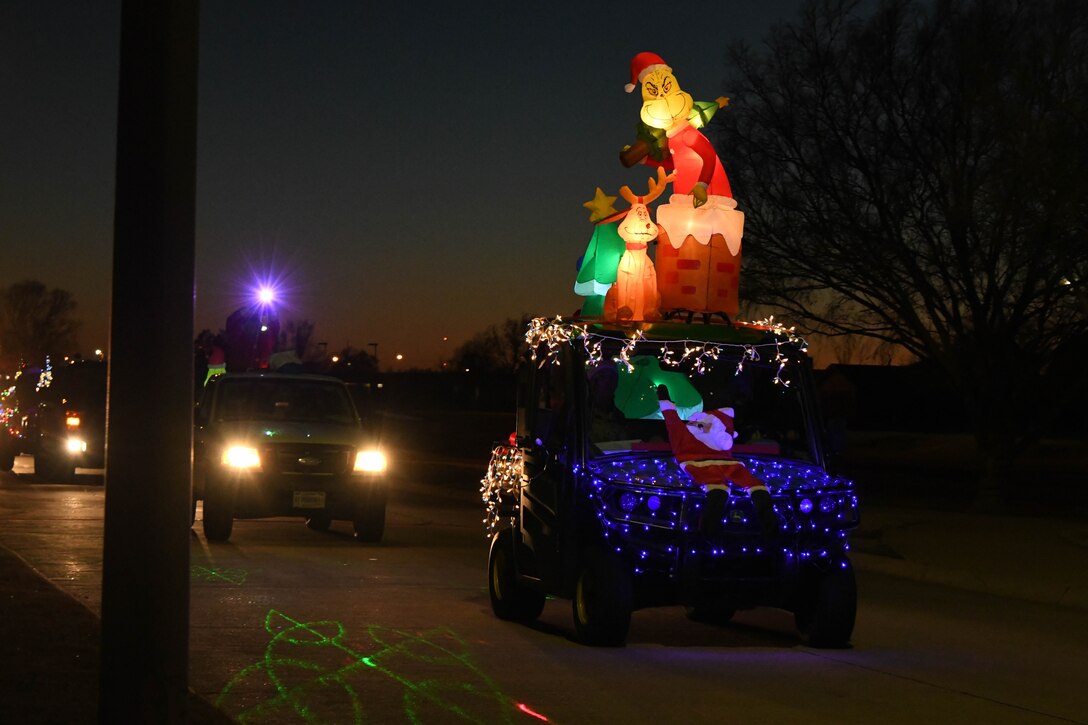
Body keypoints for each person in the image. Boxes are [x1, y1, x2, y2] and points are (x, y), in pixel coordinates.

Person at [657, 384, 777, 538]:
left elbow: (672, 419)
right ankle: (708, 533)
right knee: (729, 489)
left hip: (715, 464)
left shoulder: (699, 435)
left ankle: (766, 523)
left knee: (747, 487)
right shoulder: (689, 434)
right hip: (703, 465)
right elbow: (672, 419)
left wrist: (665, 401)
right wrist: (665, 401)